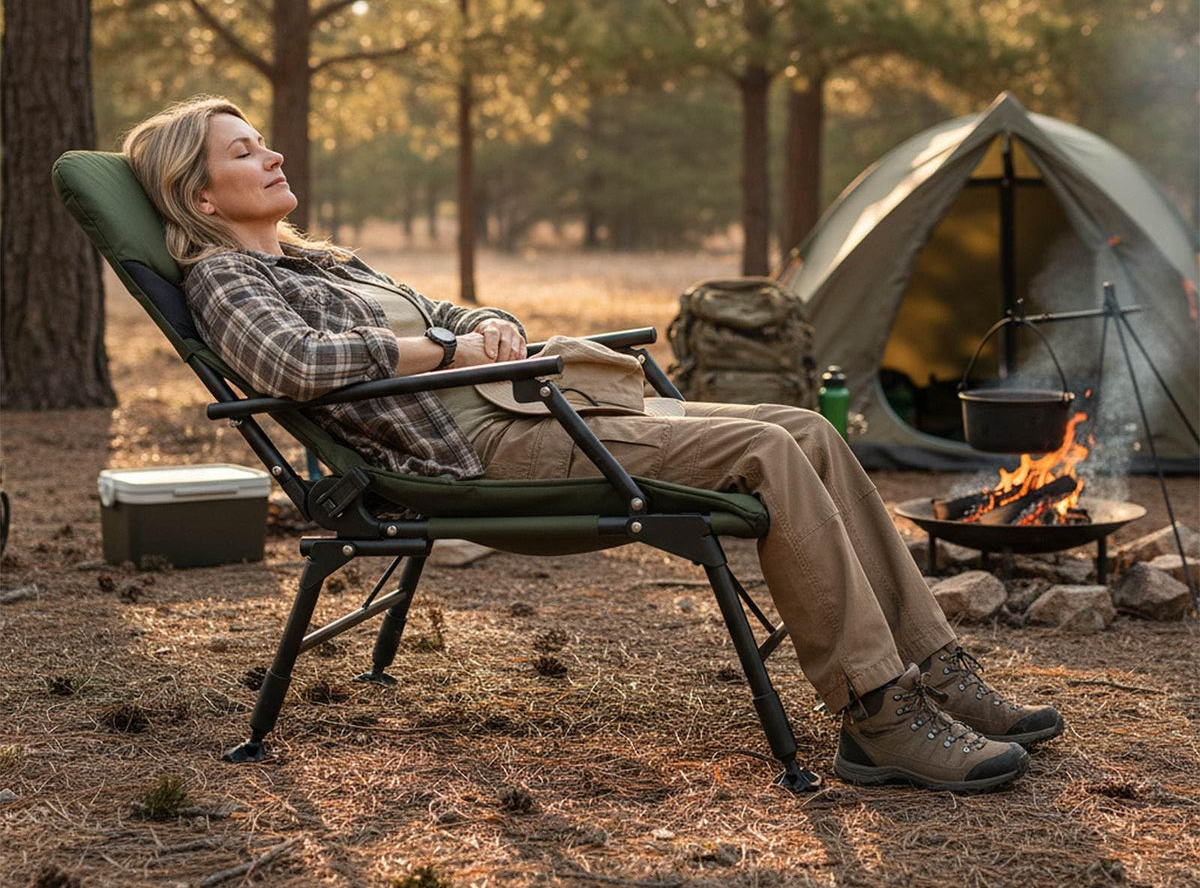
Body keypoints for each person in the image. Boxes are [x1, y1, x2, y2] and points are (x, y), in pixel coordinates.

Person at [123, 95, 1065, 792]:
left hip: (530, 403)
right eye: (246, 152)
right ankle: (876, 715)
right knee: (771, 453)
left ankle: (934, 668)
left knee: (804, 428)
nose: (274, 154)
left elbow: (448, 309)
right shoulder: (226, 279)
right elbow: (295, 362)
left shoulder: (321, 258)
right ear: (201, 195)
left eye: (264, 140)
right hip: (476, 450)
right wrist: (449, 347)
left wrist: (483, 322)